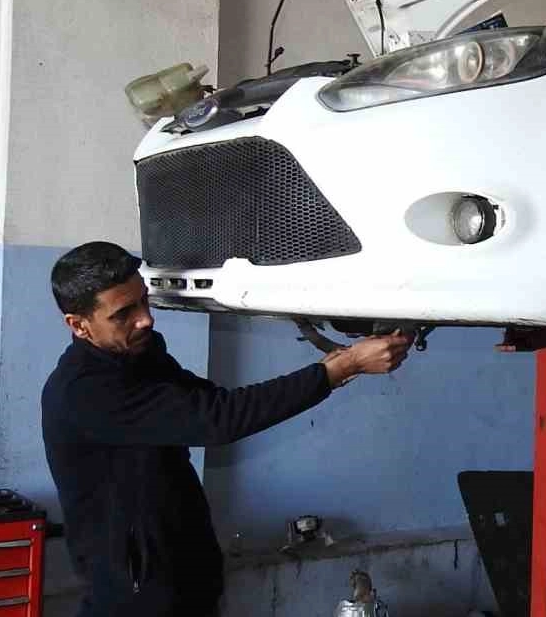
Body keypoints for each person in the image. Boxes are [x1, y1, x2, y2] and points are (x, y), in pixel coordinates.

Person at [41, 241, 411, 617]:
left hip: (182, 576)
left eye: (143, 301)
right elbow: (218, 419)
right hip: (135, 595)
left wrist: (333, 368)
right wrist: (340, 369)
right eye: (123, 314)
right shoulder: (84, 392)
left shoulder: (139, 357)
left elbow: (214, 401)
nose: (145, 319)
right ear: (79, 325)